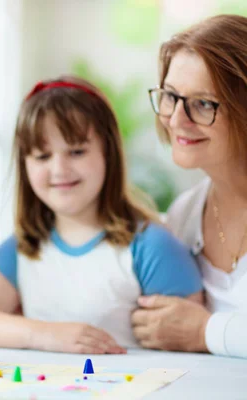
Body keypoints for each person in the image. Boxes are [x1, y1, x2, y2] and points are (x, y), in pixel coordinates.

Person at [0, 77, 203, 354]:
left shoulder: (151, 247)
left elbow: (189, 346)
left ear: (108, 154)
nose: (59, 169)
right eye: (42, 156)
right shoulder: (24, 248)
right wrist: (44, 334)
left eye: (77, 151)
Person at [132, 14, 247, 358]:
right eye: (170, 96)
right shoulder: (185, 214)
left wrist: (203, 331)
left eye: (203, 104)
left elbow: (193, 329)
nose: (176, 120)